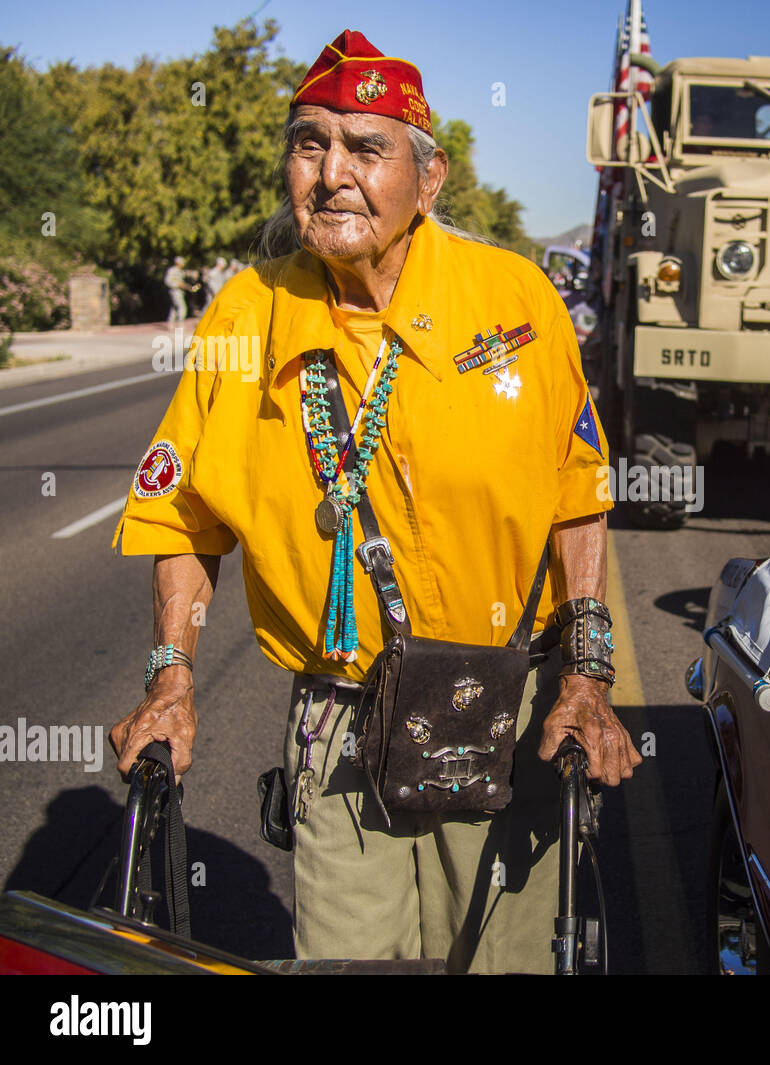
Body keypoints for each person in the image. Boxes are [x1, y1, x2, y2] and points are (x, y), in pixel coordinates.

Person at [110, 29, 641, 972]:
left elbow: (578, 488)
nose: (332, 174)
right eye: (310, 143)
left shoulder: (514, 300)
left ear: (428, 180)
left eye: (366, 148)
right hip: (343, 723)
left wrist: (588, 673)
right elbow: (183, 518)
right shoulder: (249, 314)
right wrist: (172, 678)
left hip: (504, 709)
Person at [164, 256, 188, 323]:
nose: (183, 264)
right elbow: (167, 281)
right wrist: (177, 285)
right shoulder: (172, 270)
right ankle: (180, 323)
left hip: (180, 292)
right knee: (182, 307)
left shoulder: (181, 271)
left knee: (174, 307)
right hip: (174, 291)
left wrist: (184, 286)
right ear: (178, 263)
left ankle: (170, 323)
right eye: (182, 263)